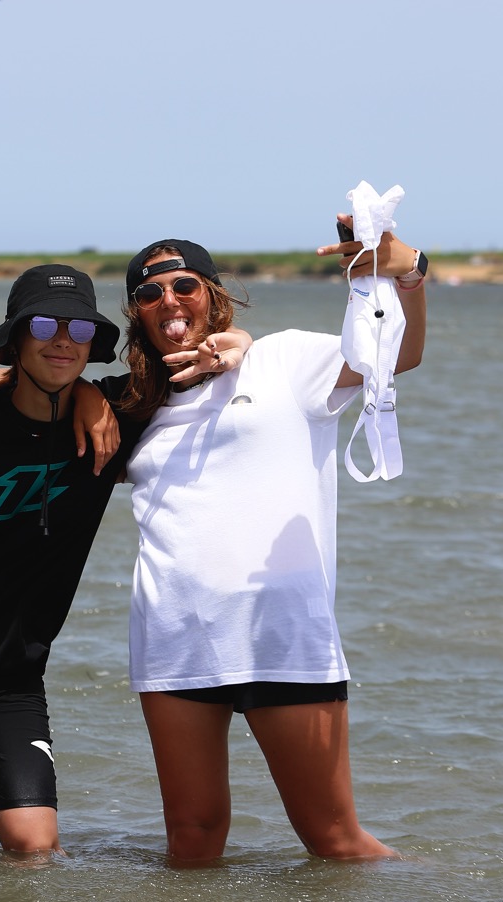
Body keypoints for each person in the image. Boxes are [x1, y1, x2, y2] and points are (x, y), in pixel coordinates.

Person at [119, 226, 427, 864]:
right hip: (174, 640)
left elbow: (396, 356)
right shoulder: (129, 406)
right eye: (150, 293)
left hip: (283, 637)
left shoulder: (282, 361)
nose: (169, 301)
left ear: (214, 295)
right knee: (192, 842)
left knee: (334, 840)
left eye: (184, 285)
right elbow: (29, 398)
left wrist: (409, 274)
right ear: (136, 313)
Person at [0, 265, 199, 855]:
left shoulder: (115, 420)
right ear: (16, 338)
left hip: (12, 671)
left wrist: (91, 394)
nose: (63, 341)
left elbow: (200, 364)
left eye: (80, 329)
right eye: (45, 326)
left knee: (36, 848)